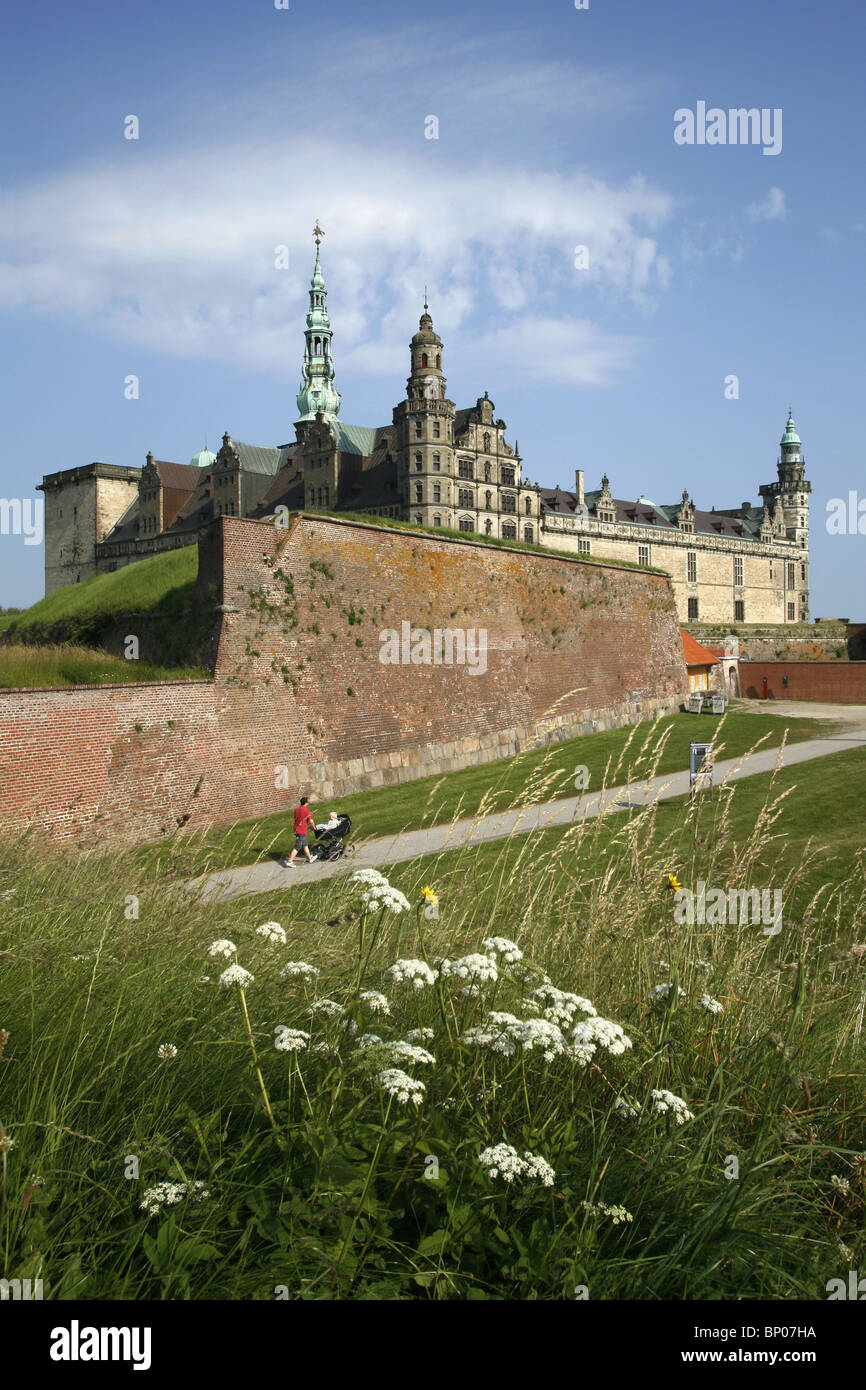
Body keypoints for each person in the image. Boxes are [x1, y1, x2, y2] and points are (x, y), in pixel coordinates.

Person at [283, 796, 315, 868]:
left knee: (305, 844)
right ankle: (290, 861)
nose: (309, 802)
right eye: (308, 801)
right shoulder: (307, 811)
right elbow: (311, 821)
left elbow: (297, 819)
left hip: (296, 829)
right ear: (306, 802)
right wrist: (313, 827)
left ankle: (310, 858)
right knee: (298, 846)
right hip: (301, 831)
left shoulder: (297, 810)